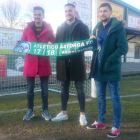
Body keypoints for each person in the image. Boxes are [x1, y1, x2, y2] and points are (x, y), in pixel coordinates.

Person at [87, 3, 128, 138]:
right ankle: (101, 121)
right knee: (100, 97)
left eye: (105, 11)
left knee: (115, 98)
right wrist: (91, 41)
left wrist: (110, 60)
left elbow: (123, 48)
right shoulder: (97, 28)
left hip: (111, 69)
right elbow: (95, 46)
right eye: (101, 11)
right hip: (98, 69)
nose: (103, 13)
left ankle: (116, 126)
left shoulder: (117, 28)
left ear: (110, 13)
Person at [51, 3, 89, 126]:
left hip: (77, 62)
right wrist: (52, 47)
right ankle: (63, 113)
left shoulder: (82, 26)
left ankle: (82, 115)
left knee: (80, 88)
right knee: (64, 88)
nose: (68, 13)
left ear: (74, 11)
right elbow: (57, 45)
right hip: (63, 63)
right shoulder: (60, 27)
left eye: (70, 11)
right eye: (66, 11)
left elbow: (87, 43)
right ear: (64, 12)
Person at [21, 6, 55, 121]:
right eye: (35, 14)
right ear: (33, 16)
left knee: (45, 90)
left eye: (39, 14)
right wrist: (18, 43)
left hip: (44, 63)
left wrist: (52, 44)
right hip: (30, 63)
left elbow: (54, 43)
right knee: (29, 89)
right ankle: (30, 110)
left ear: (43, 16)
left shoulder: (49, 29)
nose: (37, 17)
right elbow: (23, 44)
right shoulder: (27, 29)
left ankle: (45, 110)